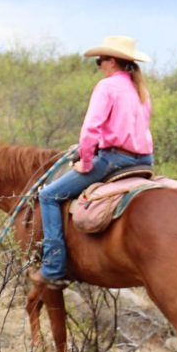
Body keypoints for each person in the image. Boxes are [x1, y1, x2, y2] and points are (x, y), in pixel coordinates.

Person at [38, 35, 154, 284]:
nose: (99, 65)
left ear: (112, 61)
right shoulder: (139, 89)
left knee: (48, 196)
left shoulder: (107, 87)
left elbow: (91, 128)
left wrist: (86, 162)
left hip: (115, 160)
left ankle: (53, 267)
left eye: (100, 60)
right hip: (143, 160)